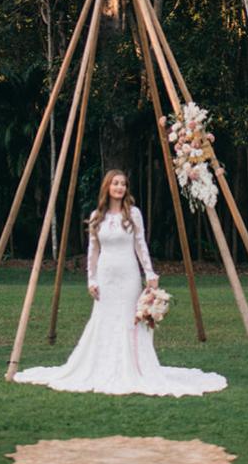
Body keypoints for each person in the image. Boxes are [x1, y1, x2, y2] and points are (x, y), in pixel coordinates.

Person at [15, 169, 225, 396]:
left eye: (123, 184)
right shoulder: (97, 216)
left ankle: (134, 366)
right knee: (104, 318)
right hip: (106, 275)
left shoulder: (133, 214)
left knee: (130, 319)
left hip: (128, 274)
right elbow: (92, 251)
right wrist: (91, 279)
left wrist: (149, 272)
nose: (119, 187)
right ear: (107, 187)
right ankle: (102, 365)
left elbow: (140, 245)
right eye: (115, 183)